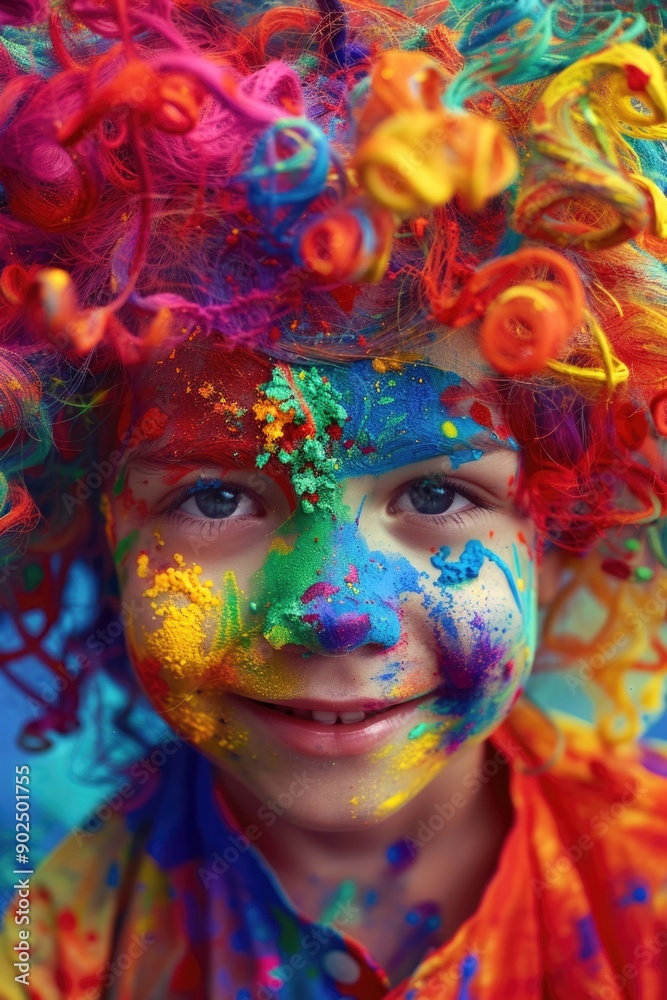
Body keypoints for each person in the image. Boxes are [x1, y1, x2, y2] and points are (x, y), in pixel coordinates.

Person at [1, 0, 667, 997]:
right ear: (98, 517)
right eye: (218, 498)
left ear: (549, 515)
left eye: (437, 491)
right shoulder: (53, 954)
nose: (334, 608)